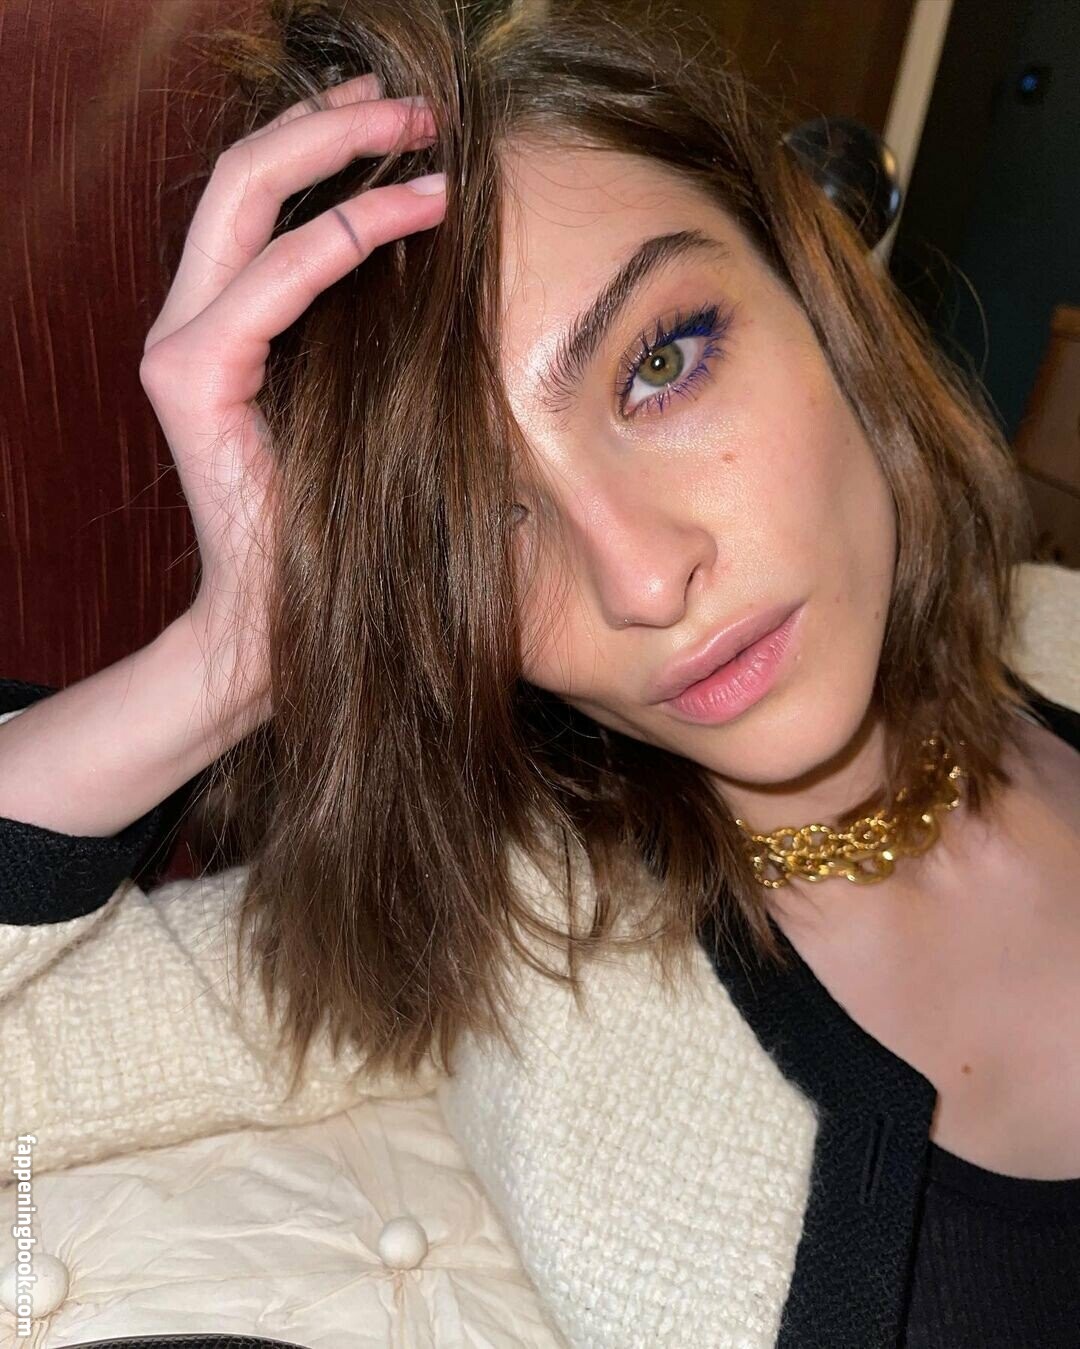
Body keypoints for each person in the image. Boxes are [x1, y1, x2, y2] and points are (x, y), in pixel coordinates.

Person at [1, 1, 1078, 1346]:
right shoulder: (497, 934)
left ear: (814, 287)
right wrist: (230, 657)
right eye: (476, 525)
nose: (641, 578)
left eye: (661, 365)